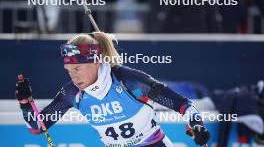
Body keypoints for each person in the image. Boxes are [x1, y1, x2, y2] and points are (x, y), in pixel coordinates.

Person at [15, 32, 210, 147]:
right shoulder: (72, 93)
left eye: (77, 69)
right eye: (68, 71)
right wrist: (25, 102)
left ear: (96, 62)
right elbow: (37, 128)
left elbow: (182, 104)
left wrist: (197, 125)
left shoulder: (129, 80)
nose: (73, 76)